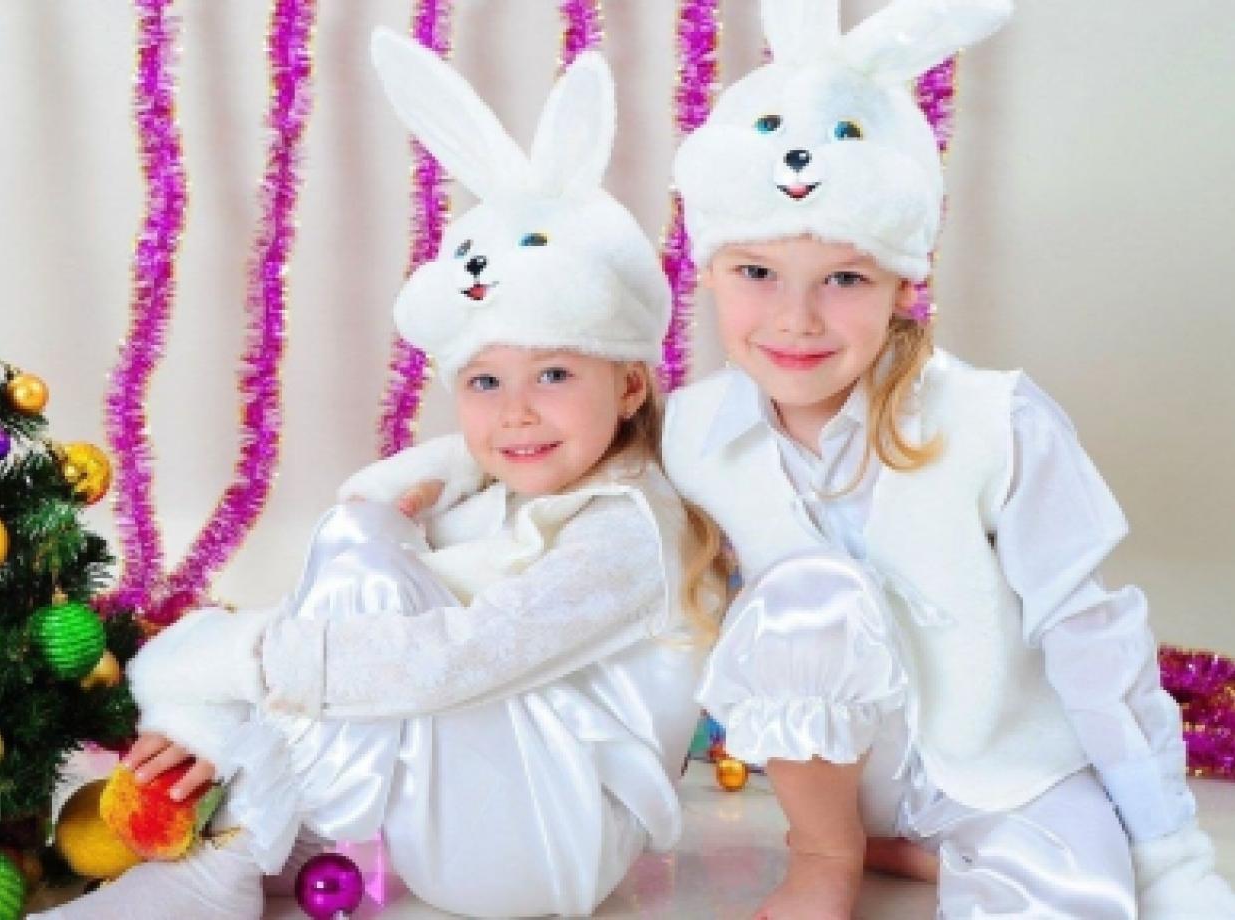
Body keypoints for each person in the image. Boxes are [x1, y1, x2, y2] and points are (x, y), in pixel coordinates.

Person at [347, 1, 1235, 916]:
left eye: (844, 278)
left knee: (1084, 898)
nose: (795, 320)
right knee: (811, 596)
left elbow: (1094, 641)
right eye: (757, 273)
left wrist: (1169, 853)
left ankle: (944, 854)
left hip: (1010, 772)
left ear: (903, 282)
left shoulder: (997, 422)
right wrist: (407, 489)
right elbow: (562, 441)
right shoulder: (694, 432)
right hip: (843, 785)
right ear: (709, 271)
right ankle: (831, 855)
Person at [36, 29, 725, 919]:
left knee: (363, 556)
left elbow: (456, 658)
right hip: (498, 806)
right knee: (361, 539)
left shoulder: (630, 526)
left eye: (554, 374)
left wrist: (234, 660)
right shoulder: (503, 492)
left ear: (629, 384)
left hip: (549, 844)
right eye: (485, 382)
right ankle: (260, 821)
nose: (516, 412)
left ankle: (233, 855)